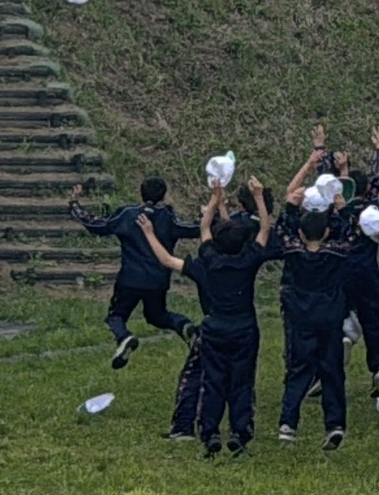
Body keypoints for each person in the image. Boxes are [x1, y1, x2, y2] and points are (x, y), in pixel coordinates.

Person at [143, 178, 273, 456]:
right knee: (242, 382)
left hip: (214, 329)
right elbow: (264, 228)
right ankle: (239, 432)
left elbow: (169, 257)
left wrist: (150, 233)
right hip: (245, 329)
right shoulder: (248, 260)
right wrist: (259, 197)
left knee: (213, 381)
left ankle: (210, 432)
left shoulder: (207, 262)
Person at [69, 175, 192, 367]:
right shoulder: (169, 218)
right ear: (164, 196)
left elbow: (96, 225)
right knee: (157, 316)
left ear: (140, 193)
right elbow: (194, 229)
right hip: (158, 280)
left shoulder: (127, 214)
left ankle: (124, 337)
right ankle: (184, 325)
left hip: (130, 278)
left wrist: (75, 204)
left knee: (116, 316)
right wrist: (213, 211)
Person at [270, 195, 354, 450]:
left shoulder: (293, 252)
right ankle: (335, 424)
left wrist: (291, 207)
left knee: (298, 372)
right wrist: (343, 210)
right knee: (332, 372)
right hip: (329, 319)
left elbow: (281, 230)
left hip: (301, 319)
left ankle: (288, 425)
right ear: (327, 232)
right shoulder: (336, 253)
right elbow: (353, 236)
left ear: (301, 234)